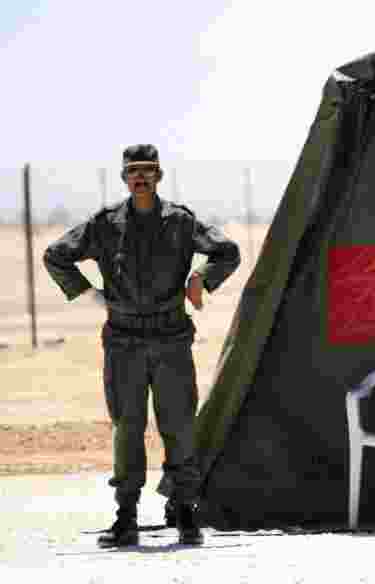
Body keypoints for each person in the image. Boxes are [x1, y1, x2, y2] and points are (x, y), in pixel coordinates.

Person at [43, 144, 241, 548]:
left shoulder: (181, 222)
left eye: (148, 170)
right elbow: (55, 256)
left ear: (159, 176)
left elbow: (227, 251)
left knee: (179, 427)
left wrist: (201, 277)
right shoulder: (104, 224)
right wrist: (91, 295)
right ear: (124, 177)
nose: (140, 177)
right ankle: (126, 518)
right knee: (127, 430)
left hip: (170, 339)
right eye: (133, 170)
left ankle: (187, 515)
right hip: (124, 341)